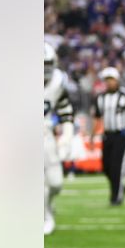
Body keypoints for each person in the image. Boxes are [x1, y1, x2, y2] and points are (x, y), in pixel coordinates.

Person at [90, 67, 125, 206]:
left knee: (117, 167)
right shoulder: (100, 98)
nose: (109, 82)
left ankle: (116, 197)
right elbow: (97, 118)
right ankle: (120, 187)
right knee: (106, 166)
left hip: (122, 134)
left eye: (111, 79)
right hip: (108, 135)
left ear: (117, 80)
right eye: (107, 80)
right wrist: (93, 136)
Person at [44, 43, 75, 235]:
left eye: (47, 64)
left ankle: (47, 205)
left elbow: (66, 113)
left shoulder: (57, 82)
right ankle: (45, 216)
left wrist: (67, 138)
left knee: (56, 183)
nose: (44, 69)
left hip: (46, 135)